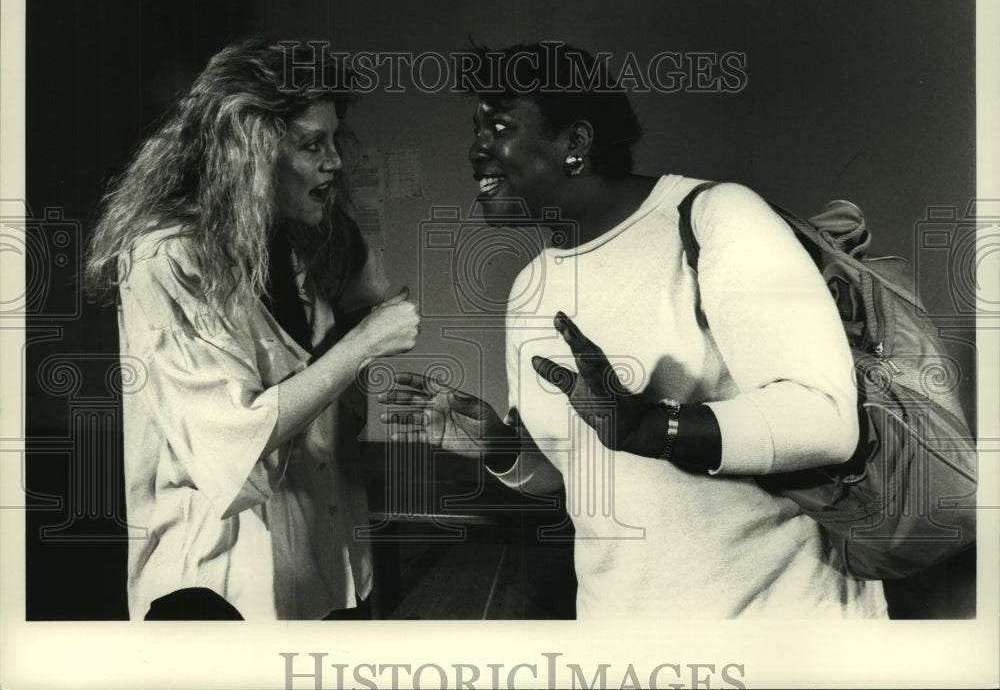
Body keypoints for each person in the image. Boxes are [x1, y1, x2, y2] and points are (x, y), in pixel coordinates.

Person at [381, 42, 888, 619]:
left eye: (497, 126)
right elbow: (569, 478)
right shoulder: (529, 289)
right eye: (474, 128)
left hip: (778, 630)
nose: (475, 149)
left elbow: (826, 419)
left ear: (575, 143)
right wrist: (498, 447)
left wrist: (650, 427)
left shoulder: (715, 216)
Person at [85, 38, 420, 620]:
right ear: (251, 152)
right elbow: (234, 442)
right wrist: (365, 343)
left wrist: (356, 311)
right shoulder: (163, 260)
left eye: (335, 140)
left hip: (325, 567)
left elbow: (336, 376)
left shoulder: (291, 239)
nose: (334, 161)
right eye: (312, 144)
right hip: (218, 589)